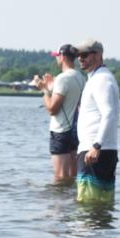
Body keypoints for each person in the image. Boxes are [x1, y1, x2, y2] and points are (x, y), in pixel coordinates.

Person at [74, 39, 119, 204]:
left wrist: (96, 145)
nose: (80, 58)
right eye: (78, 55)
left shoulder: (101, 80)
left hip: (94, 153)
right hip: (98, 151)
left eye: (85, 54)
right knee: (101, 206)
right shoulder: (96, 78)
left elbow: (109, 113)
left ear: (98, 55)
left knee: (88, 204)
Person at [32, 43, 85, 183]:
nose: (56, 59)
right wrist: (50, 88)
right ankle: (71, 204)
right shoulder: (80, 77)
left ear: (62, 57)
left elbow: (52, 109)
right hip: (74, 131)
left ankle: (59, 205)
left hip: (60, 131)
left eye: (57, 56)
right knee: (72, 177)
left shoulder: (63, 78)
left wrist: (43, 89)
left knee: (60, 178)